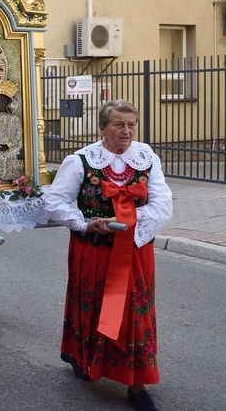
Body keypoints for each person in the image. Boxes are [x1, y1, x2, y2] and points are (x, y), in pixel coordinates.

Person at [44, 100, 172, 411]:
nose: (126, 130)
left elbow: (162, 203)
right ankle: (80, 355)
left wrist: (131, 228)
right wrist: (85, 223)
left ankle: (137, 382)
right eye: (118, 124)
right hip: (93, 249)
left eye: (131, 124)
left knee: (134, 313)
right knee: (90, 305)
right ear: (102, 128)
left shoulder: (147, 157)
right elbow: (55, 202)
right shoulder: (80, 161)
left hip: (135, 250)